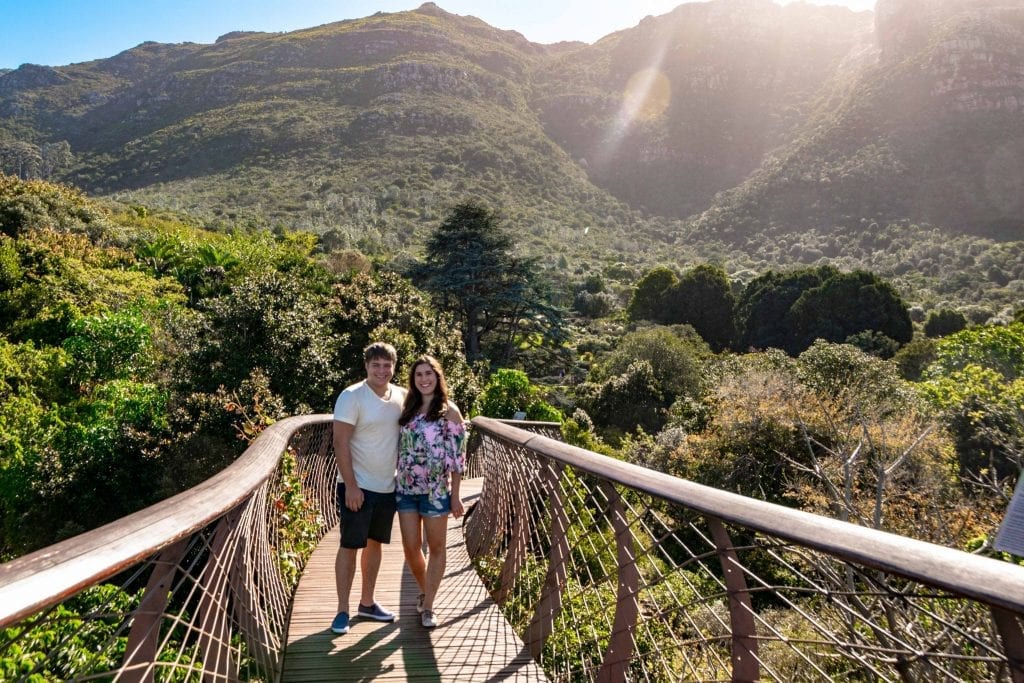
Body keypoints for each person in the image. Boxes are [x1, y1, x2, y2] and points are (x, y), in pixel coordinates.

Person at [331, 342, 407, 635]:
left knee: (375, 544)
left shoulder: (401, 395)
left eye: (387, 365)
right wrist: (351, 485)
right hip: (357, 487)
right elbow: (340, 442)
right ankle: (341, 610)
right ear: (366, 366)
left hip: (388, 486)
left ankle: (367, 603)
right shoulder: (352, 396)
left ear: (394, 367)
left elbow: (431, 405)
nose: (382, 370)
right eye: (376, 365)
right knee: (350, 546)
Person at [395, 355, 467, 628]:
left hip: (436, 490)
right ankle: (426, 591)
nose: (424, 379)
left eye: (429, 374)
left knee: (436, 547)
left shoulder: (450, 412)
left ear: (438, 377)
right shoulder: (408, 409)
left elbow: (457, 459)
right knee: (410, 546)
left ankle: (429, 606)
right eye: (418, 375)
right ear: (413, 381)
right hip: (405, 488)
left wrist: (456, 495)